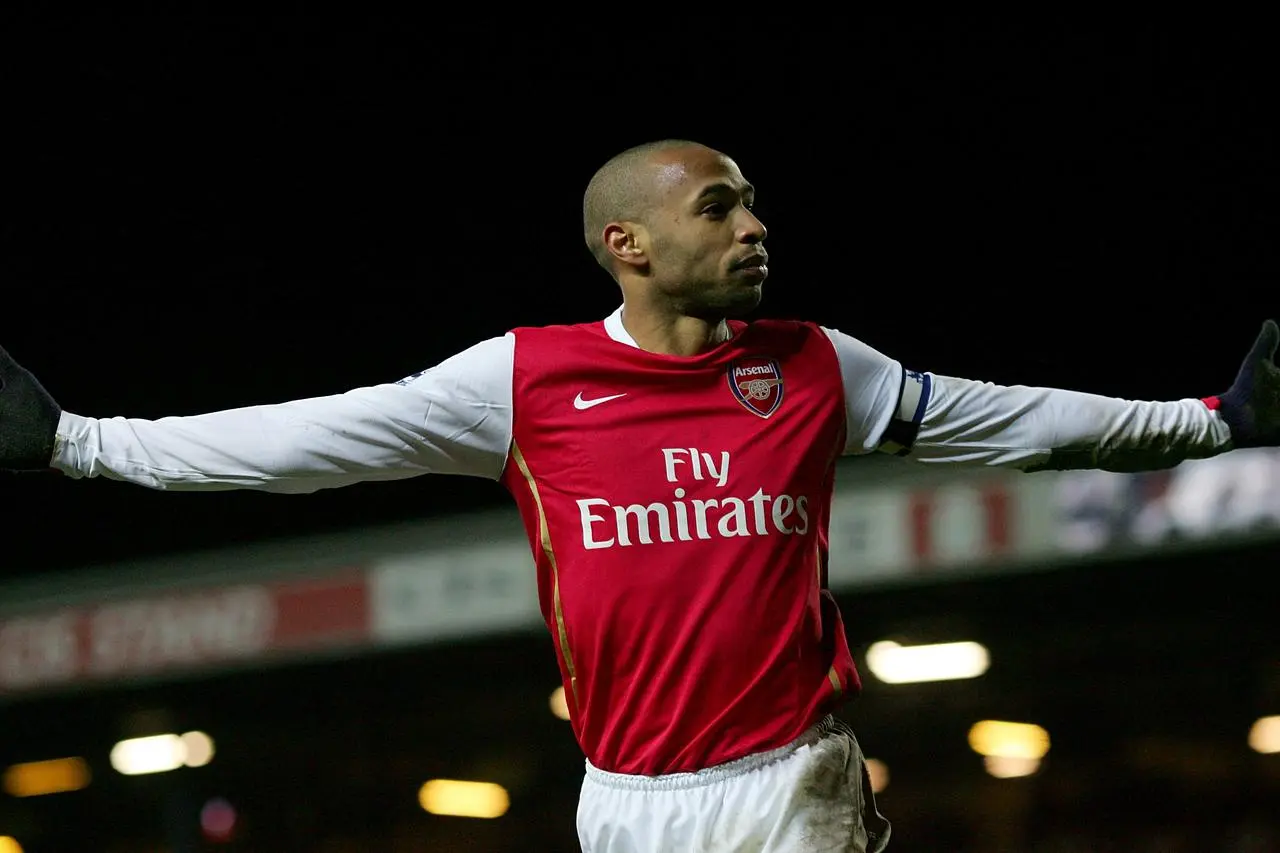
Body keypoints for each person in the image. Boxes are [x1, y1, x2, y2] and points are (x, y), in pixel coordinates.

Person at [1, 139, 1277, 852]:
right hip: (619, 798)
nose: (754, 228)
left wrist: (1208, 423)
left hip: (793, 779)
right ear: (629, 244)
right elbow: (307, 438)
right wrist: (80, 446)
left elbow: (1018, 420)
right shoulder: (523, 379)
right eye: (720, 209)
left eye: (753, 205)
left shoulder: (817, 365)